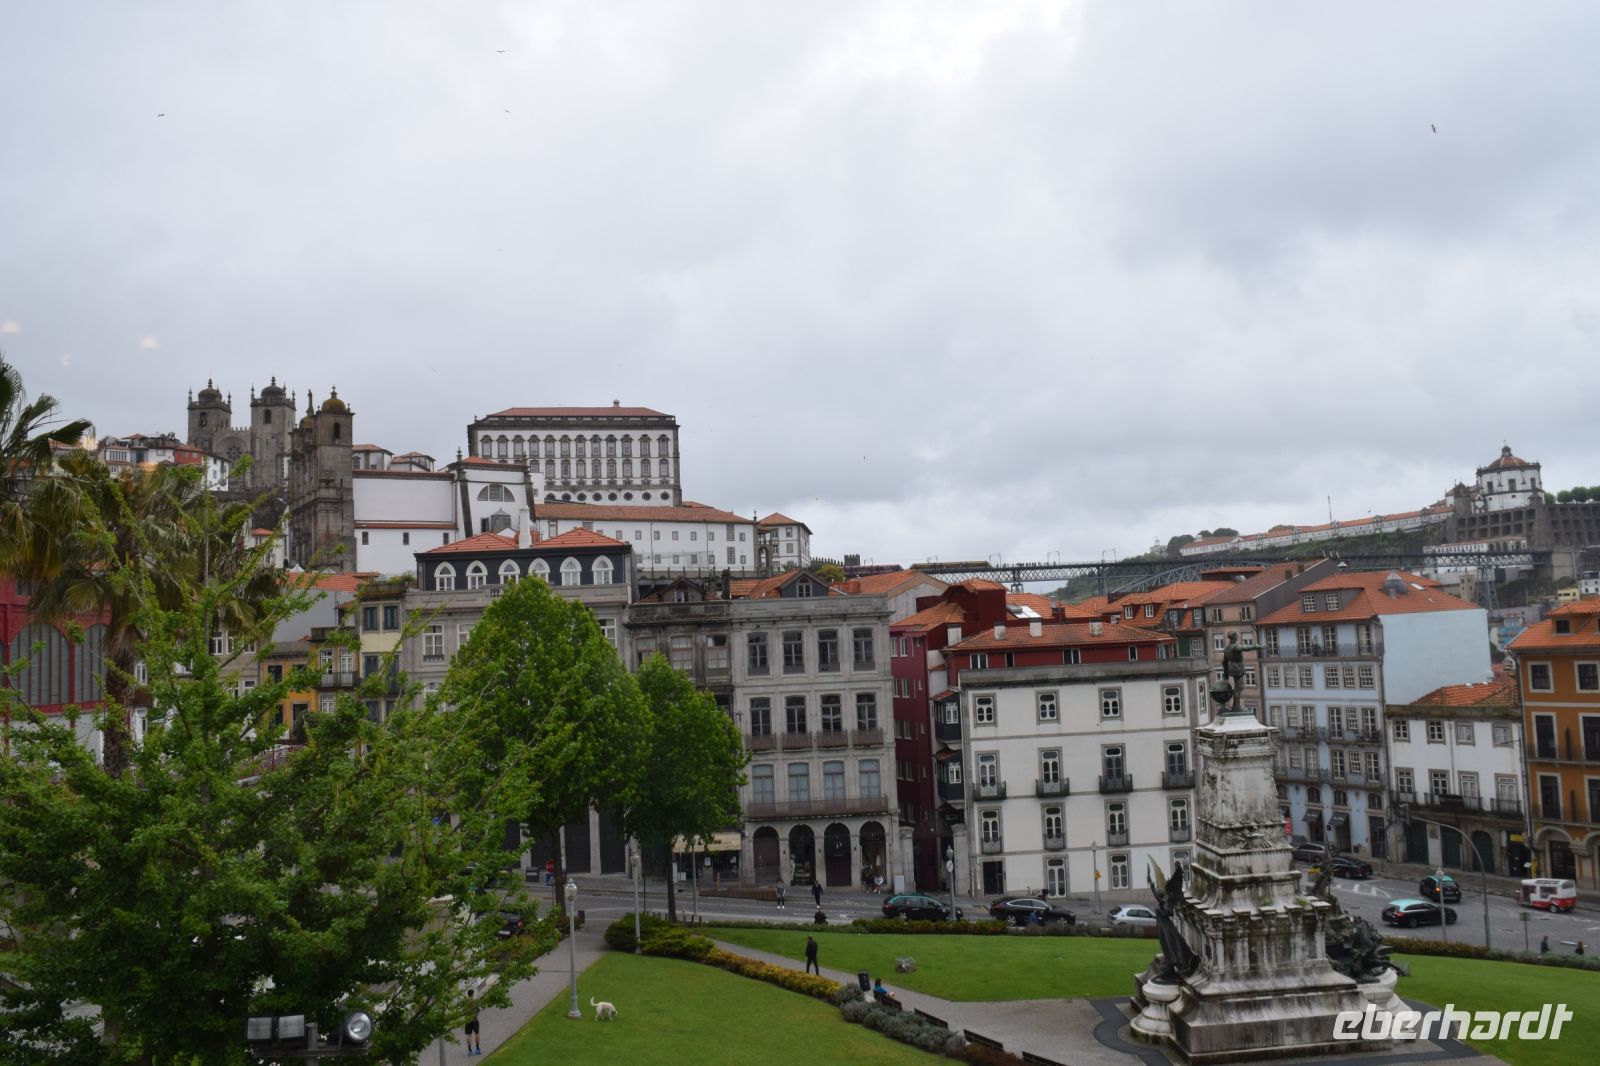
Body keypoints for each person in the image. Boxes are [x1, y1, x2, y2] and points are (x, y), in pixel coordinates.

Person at [464, 988, 481, 1056]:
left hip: (468, 1020)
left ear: (468, 994)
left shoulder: (465, 1003)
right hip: (474, 1020)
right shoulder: (474, 1002)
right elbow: (478, 1010)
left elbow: (463, 1012)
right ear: (472, 994)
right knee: (477, 1033)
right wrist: (475, 1015)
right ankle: (477, 1049)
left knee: (468, 1035)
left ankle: (470, 1051)